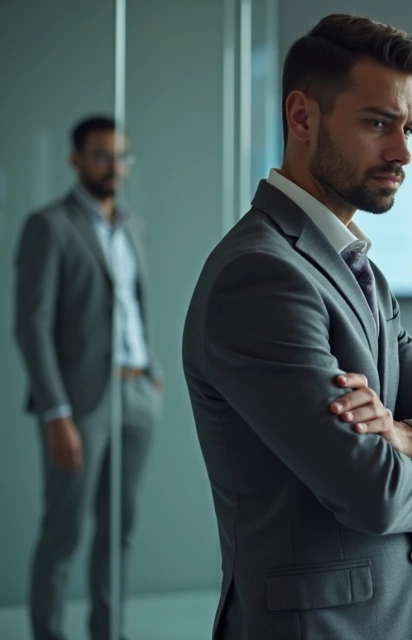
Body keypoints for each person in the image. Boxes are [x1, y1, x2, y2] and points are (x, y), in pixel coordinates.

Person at [182, 15, 412, 639]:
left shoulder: (359, 272)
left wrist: (409, 438)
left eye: (408, 129)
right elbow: (372, 494)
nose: (403, 152)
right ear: (302, 118)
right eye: (378, 123)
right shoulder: (261, 277)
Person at [15, 115, 162, 640]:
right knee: (64, 531)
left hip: (138, 394)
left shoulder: (134, 226)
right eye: (102, 155)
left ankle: (110, 633)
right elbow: (32, 327)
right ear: (76, 160)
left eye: (121, 156)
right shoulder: (48, 225)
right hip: (78, 403)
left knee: (119, 531)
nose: (114, 166)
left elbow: (133, 307)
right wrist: (56, 413)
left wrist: (152, 372)